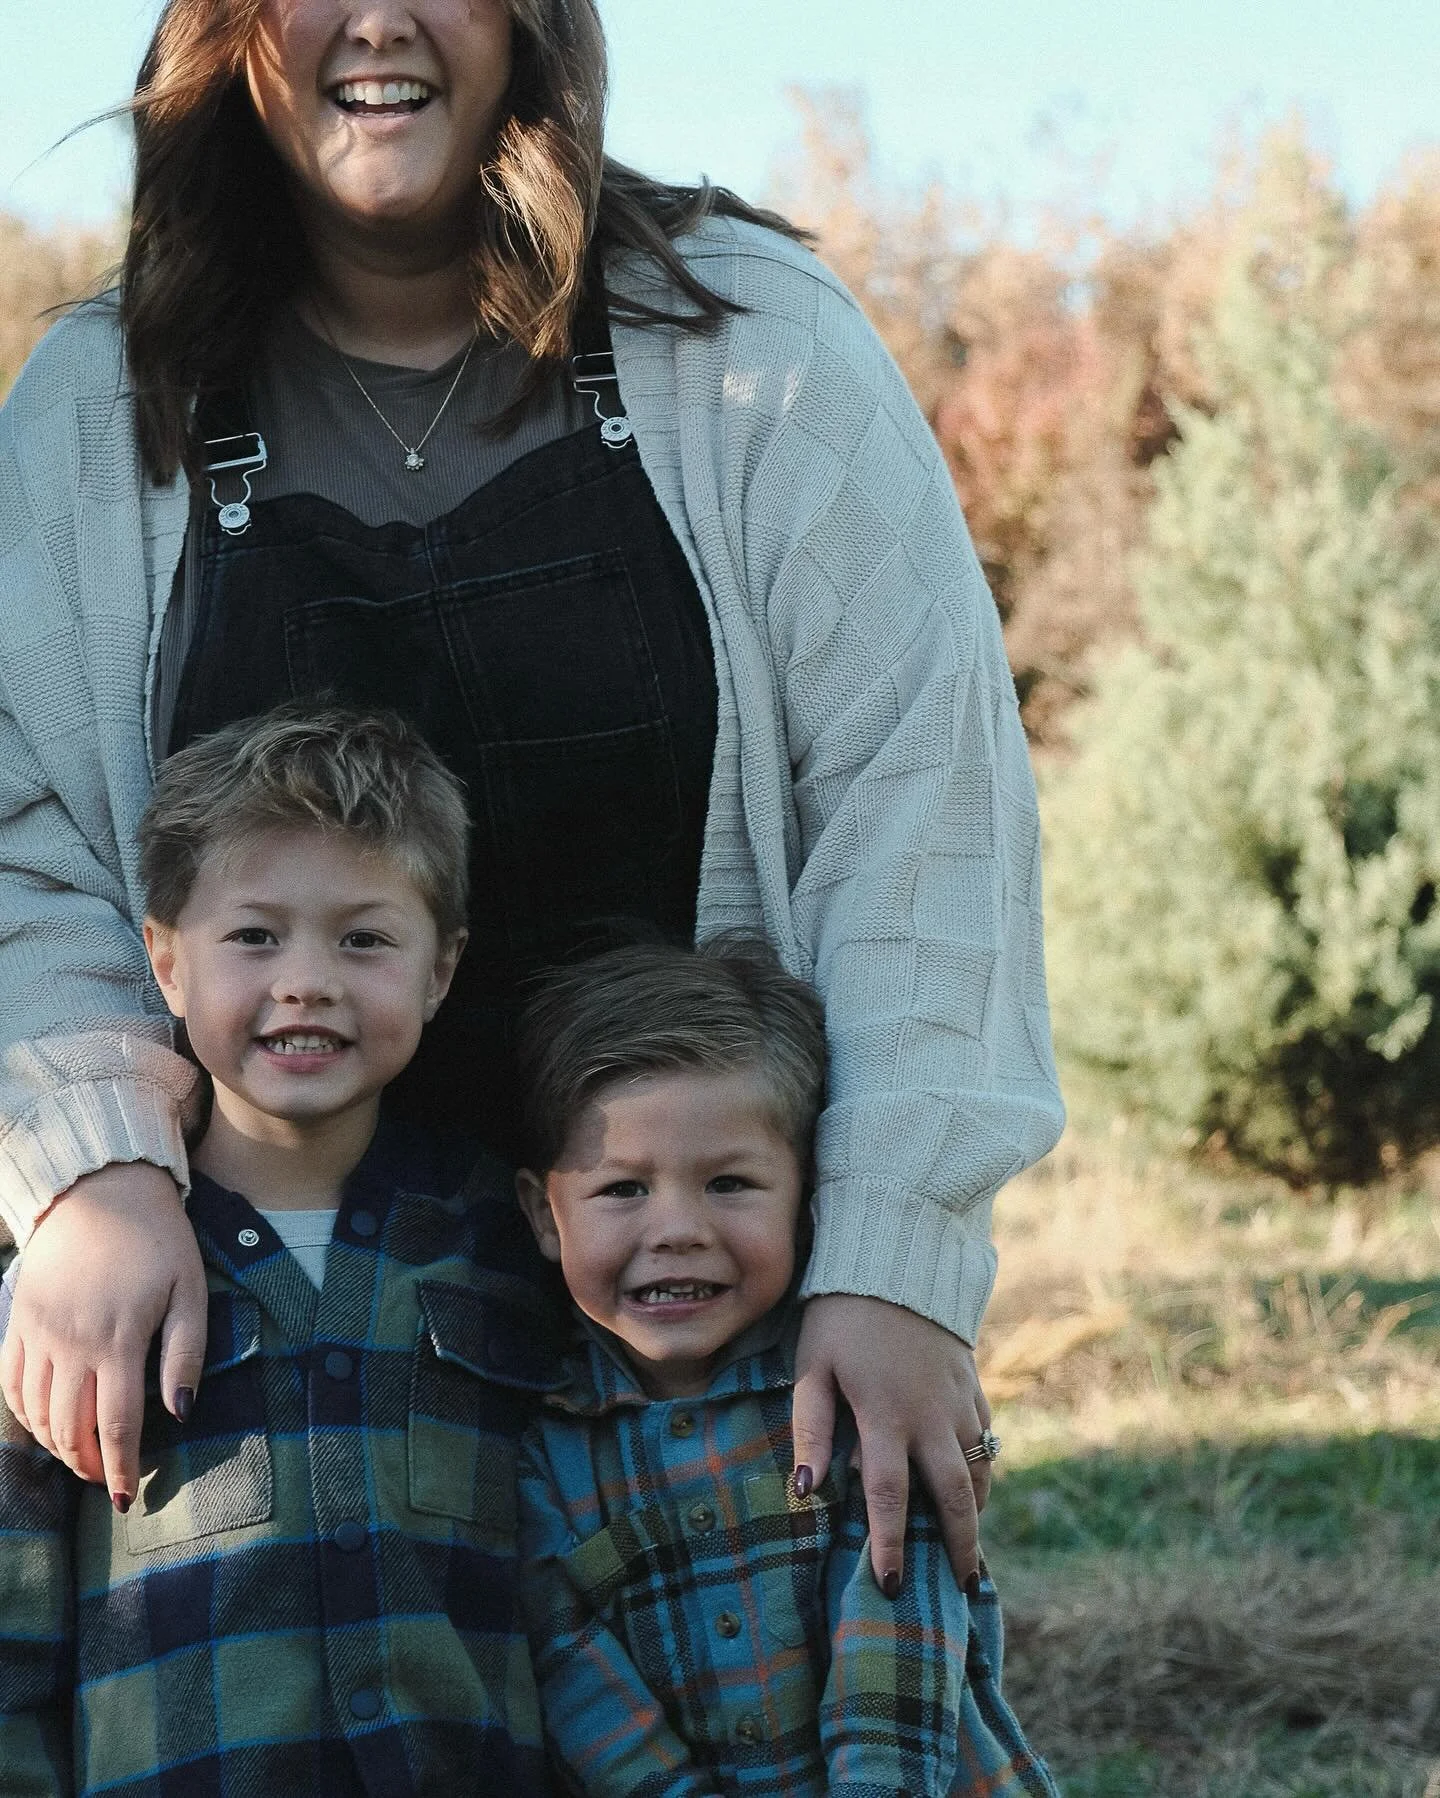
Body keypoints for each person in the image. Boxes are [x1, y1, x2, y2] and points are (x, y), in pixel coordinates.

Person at [0, 0, 1065, 1600]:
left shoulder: (755, 347)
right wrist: (90, 1169)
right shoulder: (99, 402)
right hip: (270, 1355)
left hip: (697, 1331)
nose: (379, 20)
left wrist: (894, 1265)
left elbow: (925, 811)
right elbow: (27, 844)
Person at [0, 704, 566, 1795]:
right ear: (165, 960)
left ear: (442, 969)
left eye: (364, 939)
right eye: (254, 936)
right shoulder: (75, 1277)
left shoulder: (504, 1241)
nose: (306, 979)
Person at [511, 938, 1059, 1798]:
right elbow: (569, 1665)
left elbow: (896, 1624)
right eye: (623, 1190)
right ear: (544, 1218)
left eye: (729, 1183)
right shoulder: (537, 1442)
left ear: (809, 1201)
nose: (677, 1230)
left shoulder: (856, 1389)